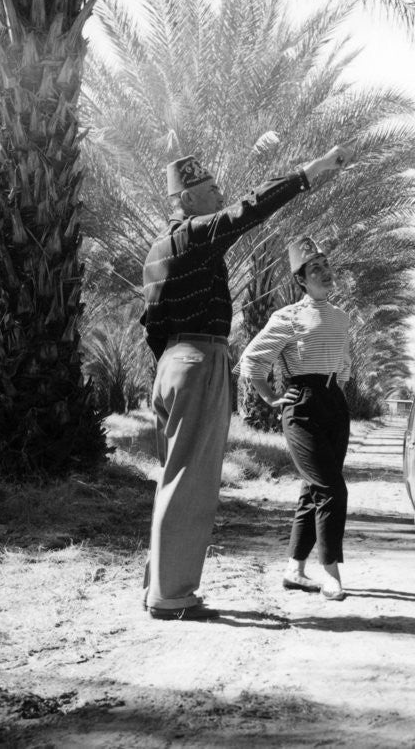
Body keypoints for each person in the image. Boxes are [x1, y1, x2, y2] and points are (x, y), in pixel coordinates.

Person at [141, 145, 352, 621]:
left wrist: (173, 361)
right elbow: (249, 209)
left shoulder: (158, 249)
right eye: (211, 190)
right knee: (193, 482)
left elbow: (150, 321)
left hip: (171, 362)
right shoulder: (194, 235)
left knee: (172, 478)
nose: (221, 195)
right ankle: (172, 596)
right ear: (188, 200)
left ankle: (158, 584)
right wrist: (310, 171)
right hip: (198, 359)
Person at [237, 237, 352, 601]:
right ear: (301, 280)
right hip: (302, 406)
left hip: (334, 405)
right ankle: (331, 574)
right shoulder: (287, 317)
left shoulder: (341, 317)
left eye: (326, 264)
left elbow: (344, 365)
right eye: (315, 268)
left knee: (312, 489)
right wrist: (271, 397)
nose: (325, 272)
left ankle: (294, 570)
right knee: (332, 490)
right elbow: (252, 359)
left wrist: (336, 395)